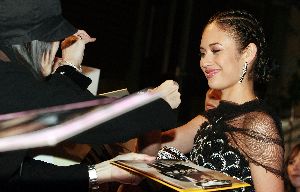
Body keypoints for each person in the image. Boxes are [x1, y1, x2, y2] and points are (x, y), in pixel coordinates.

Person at [0, 0, 181, 191]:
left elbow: (16, 175)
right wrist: (154, 103)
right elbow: (75, 113)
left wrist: (101, 172)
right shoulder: (10, 80)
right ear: (36, 42)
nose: (56, 47)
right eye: (54, 38)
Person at [139, 9, 284, 192]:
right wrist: (151, 108)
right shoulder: (209, 119)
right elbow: (148, 156)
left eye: (215, 50)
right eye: (202, 53)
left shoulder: (258, 124)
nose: (204, 62)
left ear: (248, 53)